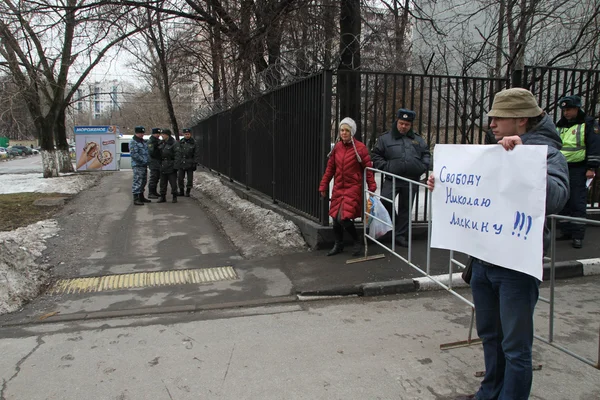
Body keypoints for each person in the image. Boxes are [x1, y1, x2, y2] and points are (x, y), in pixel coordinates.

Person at [427, 88, 569, 400]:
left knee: (516, 347)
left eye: (498, 117)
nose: (491, 123)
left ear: (521, 120)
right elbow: (477, 194)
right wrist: (442, 184)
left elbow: (557, 198)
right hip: (483, 263)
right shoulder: (492, 153)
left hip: (516, 268)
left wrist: (522, 160)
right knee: (490, 335)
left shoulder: (547, 154)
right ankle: (489, 392)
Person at [371, 108, 430, 247]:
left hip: (411, 179)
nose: (403, 126)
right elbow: (376, 155)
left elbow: (426, 154)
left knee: (406, 208)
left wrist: (423, 166)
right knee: (385, 201)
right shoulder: (385, 138)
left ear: (411, 125)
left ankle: (399, 235)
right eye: (401, 123)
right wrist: (386, 167)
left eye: (407, 124)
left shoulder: (418, 139)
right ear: (397, 121)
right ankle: (395, 226)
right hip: (392, 178)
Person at [319, 117, 377, 256]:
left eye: (347, 130)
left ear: (352, 132)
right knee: (335, 217)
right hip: (339, 186)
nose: (344, 133)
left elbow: (368, 168)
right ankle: (338, 244)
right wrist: (324, 185)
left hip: (353, 187)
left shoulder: (360, 148)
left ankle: (357, 241)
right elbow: (330, 168)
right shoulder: (337, 148)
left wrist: (372, 186)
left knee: (344, 218)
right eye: (342, 130)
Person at [555, 95, 600, 249]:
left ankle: (577, 235)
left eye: (569, 109)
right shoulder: (561, 125)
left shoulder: (588, 124)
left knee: (577, 201)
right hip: (561, 167)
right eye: (564, 110)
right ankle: (566, 231)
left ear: (576, 108)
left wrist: (591, 167)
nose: (566, 113)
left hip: (579, 168)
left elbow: (594, 145)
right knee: (564, 200)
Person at [157, 129, 182, 203]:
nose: (162, 136)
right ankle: (162, 196)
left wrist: (176, 167)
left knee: (173, 183)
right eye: (162, 134)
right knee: (162, 183)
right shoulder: (162, 143)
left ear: (167, 135)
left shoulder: (174, 143)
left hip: (171, 165)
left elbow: (178, 156)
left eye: (163, 134)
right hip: (163, 165)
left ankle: (174, 196)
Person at [130, 126, 151, 206]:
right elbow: (134, 154)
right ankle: (136, 198)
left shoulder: (142, 141)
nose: (142, 134)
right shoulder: (133, 142)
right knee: (137, 181)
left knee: (143, 181)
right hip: (137, 165)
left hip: (144, 165)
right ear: (136, 133)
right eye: (140, 133)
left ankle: (141, 196)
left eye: (143, 133)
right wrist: (144, 160)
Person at [178, 128, 200, 197]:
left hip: (190, 162)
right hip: (182, 162)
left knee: (189, 179)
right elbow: (178, 152)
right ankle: (181, 191)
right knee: (180, 178)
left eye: (188, 134)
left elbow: (196, 153)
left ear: (190, 134)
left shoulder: (194, 142)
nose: (187, 135)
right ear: (183, 134)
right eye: (185, 134)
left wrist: (195, 162)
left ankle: (188, 191)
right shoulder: (181, 142)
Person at [147, 128, 163, 199]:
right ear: (153, 134)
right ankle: (151, 192)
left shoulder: (158, 141)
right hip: (153, 161)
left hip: (158, 162)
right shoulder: (151, 141)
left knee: (157, 177)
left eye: (159, 134)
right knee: (153, 177)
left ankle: (154, 192)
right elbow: (151, 152)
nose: (158, 135)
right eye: (157, 133)